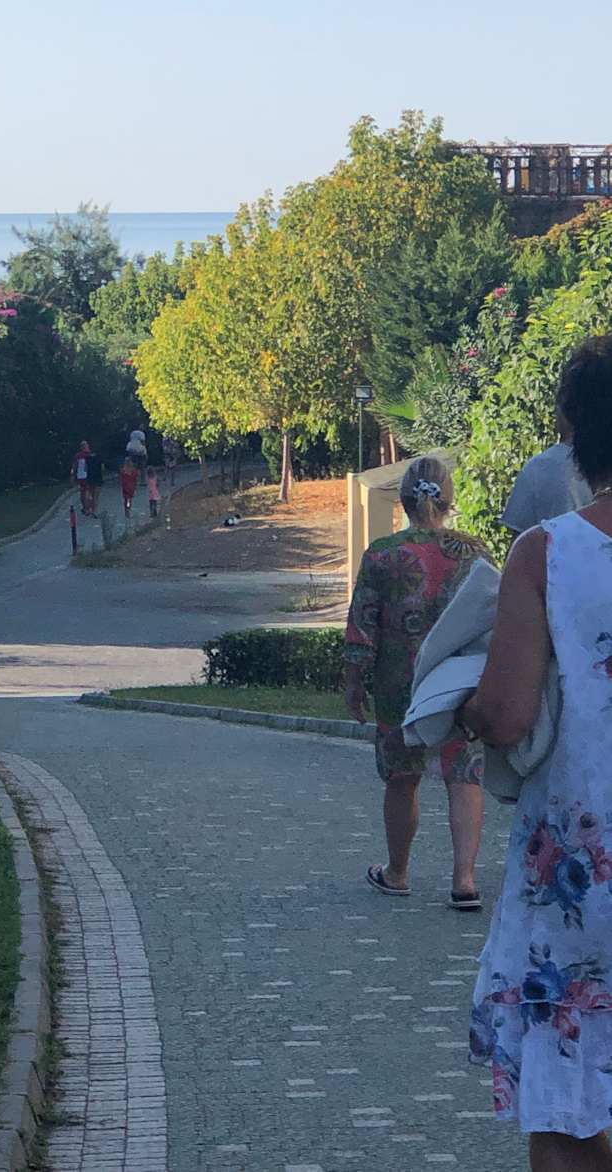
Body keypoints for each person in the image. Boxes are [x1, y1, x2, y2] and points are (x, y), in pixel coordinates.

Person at [463, 336, 612, 1169]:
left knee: (564, 1102)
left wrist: (462, 708)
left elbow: (507, 713)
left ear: (576, 434)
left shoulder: (548, 552)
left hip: (582, 876)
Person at [343, 455, 489, 908]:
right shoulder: (474, 553)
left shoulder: (382, 555)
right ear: (448, 499)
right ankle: (464, 880)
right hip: (460, 681)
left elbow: (362, 625)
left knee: (402, 778)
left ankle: (398, 872)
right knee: (464, 775)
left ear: (404, 500)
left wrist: (354, 682)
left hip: (399, 685)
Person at [502, 405, 593, 535]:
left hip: (550, 547)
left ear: (563, 415)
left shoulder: (538, 467)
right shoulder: (602, 463)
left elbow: (519, 537)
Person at [70, 441, 91, 515]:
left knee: (84, 492)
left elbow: (74, 466)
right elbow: (75, 465)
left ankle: (86, 508)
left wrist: (72, 474)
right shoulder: (89, 455)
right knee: (87, 491)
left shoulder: (79, 456)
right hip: (86, 476)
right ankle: (87, 508)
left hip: (83, 476)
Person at [83, 447, 103, 517]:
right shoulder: (100, 458)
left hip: (89, 478)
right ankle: (94, 511)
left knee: (89, 494)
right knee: (96, 496)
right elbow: (102, 468)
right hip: (98, 478)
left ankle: (87, 509)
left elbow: (85, 469)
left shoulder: (87, 458)